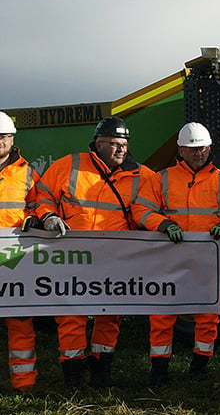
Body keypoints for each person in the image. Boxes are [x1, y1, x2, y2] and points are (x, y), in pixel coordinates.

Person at [32, 116, 169, 387]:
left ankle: (101, 369)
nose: (121, 150)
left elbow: (159, 206)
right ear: (98, 144)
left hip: (114, 259)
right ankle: (73, 375)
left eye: (124, 144)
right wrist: (48, 216)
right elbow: (43, 195)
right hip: (73, 257)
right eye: (114, 144)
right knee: (71, 314)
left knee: (110, 315)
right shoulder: (69, 165)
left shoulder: (144, 176)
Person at [146, 123, 220, 384]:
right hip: (169, 260)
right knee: (162, 315)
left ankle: (199, 369)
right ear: (180, 150)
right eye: (192, 149)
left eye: (203, 148)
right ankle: (159, 372)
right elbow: (143, 210)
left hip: (207, 263)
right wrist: (164, 224)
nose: (198, 153)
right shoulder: (161, 179)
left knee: (207, 317)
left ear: (210, 148)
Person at [1, 112, 41, 392]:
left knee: (19, 317)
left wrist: (35, 218)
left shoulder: (27, 173)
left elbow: (39, 204)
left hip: (13, 255)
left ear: (12, 138)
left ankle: (23, 383)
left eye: (2, 137)